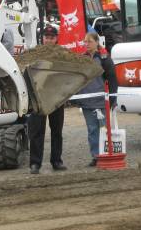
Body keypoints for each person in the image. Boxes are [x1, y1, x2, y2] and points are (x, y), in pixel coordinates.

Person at [74, 31, 118, 167]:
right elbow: (78, 80)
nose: (86, 44)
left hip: (101, 101)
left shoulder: (104, 58)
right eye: (85, 42)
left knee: (104, 129)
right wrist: (76, 98)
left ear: (96, 42)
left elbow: (112, 79)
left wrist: (112, 97)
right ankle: (96, 156)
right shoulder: (81, 59)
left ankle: (106, 154)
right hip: (87, 102)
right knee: (92, 130)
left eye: (89, 42)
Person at [28, 25, 66, 174]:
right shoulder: (34, 54)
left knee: (57, 131)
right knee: (37, 132)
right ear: (43, 38)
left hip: (56, 98)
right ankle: (35, 163)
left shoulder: (63, 54)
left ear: (56, 39)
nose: (49, 40)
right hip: (39, 99)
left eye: (52, 37)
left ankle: (56, 161)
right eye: (47, 37)